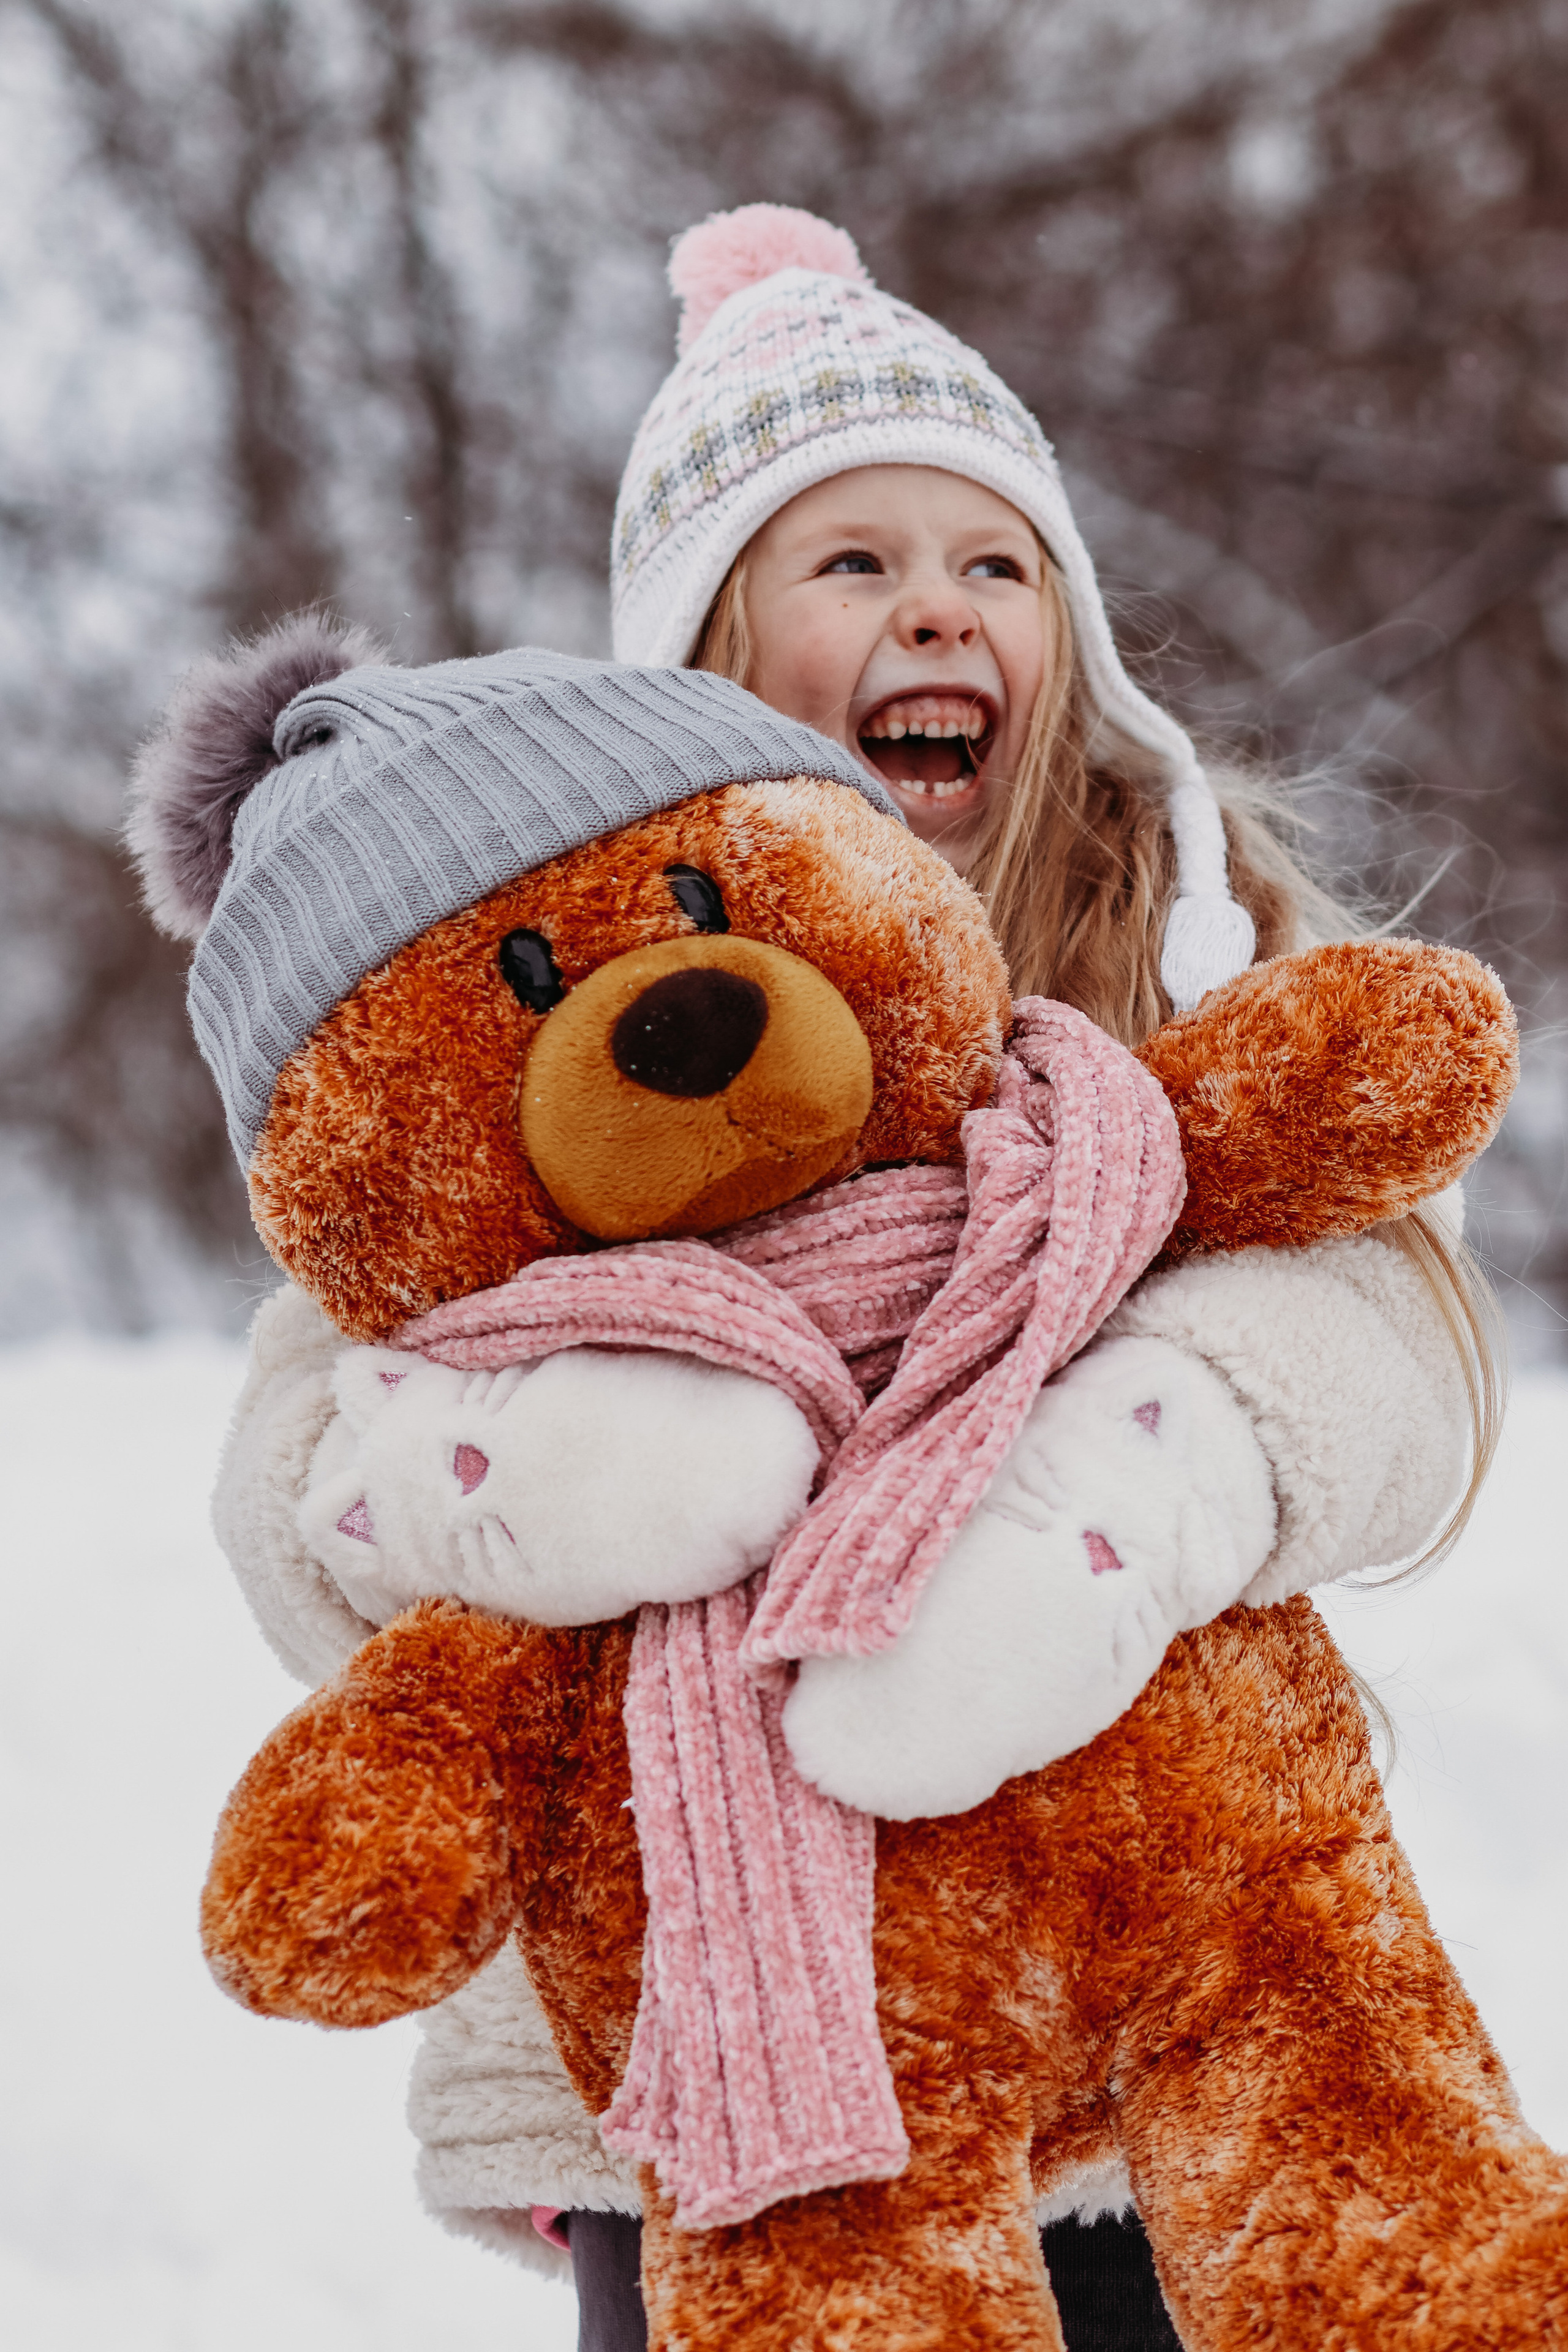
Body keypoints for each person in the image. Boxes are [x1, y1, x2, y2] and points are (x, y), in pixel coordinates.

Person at [205, 208, 1501, 2351]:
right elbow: (298, 1446)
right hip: (701, 2059)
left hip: (1141, 1957)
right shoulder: (572, 985)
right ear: (703, 647)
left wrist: (1111, 1500)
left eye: (997, 564)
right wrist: (530, 1476)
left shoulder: (1187, 946)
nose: (941, 612)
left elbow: (1393, 1342)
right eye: (855, 562)